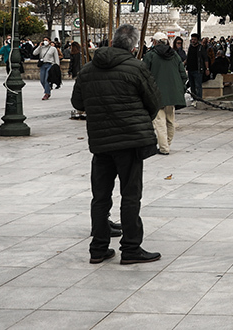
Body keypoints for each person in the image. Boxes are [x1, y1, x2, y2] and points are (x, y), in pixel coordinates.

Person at [71, 23, 163, 265]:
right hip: (130, 141)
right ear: (133, 46)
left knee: (100, 196)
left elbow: (78, 102)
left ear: (112, 42)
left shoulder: (88, 69)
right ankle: (131, 247)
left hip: (101, 141)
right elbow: (154, 102)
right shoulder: (136, 68)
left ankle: (98, 248)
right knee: (130, 195)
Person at [144, 32, 188, 155]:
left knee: (159, 121)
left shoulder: (150, 55)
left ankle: (164, 148)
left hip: (156, 94)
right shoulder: (174, 55)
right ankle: (167, 143)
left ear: (155, 42)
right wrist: (179, 88)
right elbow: (183, 75)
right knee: (170, 120)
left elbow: (144, 75)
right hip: (172, 94)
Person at [34, 36, 61, 100]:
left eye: (46, 40)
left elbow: (56, 58)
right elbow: (34, 53)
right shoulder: (41, 48)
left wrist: (57, 66)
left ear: (49, 41)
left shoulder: (53, 49)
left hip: (50, 65)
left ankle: (46, 93)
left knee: (47, 79)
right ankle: (48, 89)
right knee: (42, 80)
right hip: (43, 65)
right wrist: (39, 46)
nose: (45, 41)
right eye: (44, 40)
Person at [185, 33, 206, 101]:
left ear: (197, 40)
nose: (193, 41)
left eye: (194, 39)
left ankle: (199, 99)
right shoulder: (190, 47)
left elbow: (205, 59)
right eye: (192, 39)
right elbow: (188, 57)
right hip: (190, 69)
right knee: (192, 86)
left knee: (198, 85)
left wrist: (207, 68)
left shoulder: (200, 48)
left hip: (198, 70)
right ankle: (194, 98)